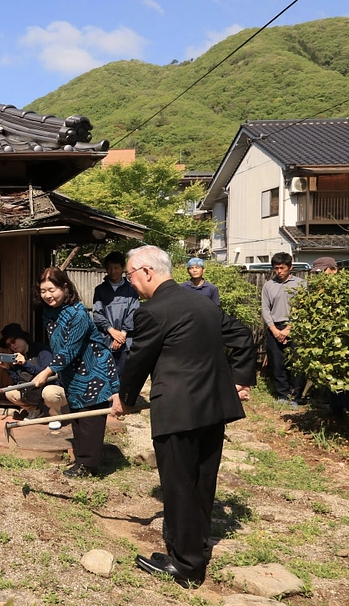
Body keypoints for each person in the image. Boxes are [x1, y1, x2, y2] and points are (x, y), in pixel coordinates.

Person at [114, 245, 254, 589]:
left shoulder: (152, 311)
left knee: (178, 486)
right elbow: (243, 335)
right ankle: (197, 548)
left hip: (178, 411)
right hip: (214, 408)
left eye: (130, 275)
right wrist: (240, 379)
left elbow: (139, 361)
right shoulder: (203, 303)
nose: (130, 282)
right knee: (202, 482)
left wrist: (125, 399)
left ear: (147, 271)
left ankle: (186, 566)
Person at [25, 268, 120, 477]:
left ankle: (89, 466)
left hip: (94, 369)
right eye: (43, 291)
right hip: (72, 371)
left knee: (90, 417)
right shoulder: (49, 312)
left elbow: (70, 348)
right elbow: (58, 345)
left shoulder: (79, 314)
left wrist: (47, 371)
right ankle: (81, 461)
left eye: (52, 290)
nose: (47, 295)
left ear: (65, 287)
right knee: (77, 415)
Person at [0, 323, 67, 427]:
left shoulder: (41, 349)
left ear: (23, 337)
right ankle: (34, 411)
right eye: (9, 345)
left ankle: (55, 416)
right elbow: (19, 381)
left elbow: (48, 372)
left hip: (52, 388)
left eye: (13, 341)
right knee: (10, 391)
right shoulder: (17, 358)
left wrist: (25, 364)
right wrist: (8, 368)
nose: (12, 346)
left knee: (50, 392)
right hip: (33, 392)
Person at [261, 252, 305, 406]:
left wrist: (289, 329)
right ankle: (282, 395)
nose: (279, 271)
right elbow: (265, 309)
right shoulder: (268, 285)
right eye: (276, 268)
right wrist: (274, 330)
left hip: (295, 328)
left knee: (296, 363)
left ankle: (295, 397)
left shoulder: (300, 284)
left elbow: (302, 308)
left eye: (282, 268)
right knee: (277, 363)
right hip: (274, 327)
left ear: (290, 267)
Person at [309, 258, 347, 420]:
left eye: (322, 272)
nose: (319, 276)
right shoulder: (316, 292)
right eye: (316, 273)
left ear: (334, 270)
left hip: (343, 343)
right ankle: (337, 412)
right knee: (331, 377)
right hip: (327, 344)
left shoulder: (344, 289)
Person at [92, 251, 140, 377]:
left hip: (126, 341)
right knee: (105, 376)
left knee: (124, 376)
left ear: (122, 268)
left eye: (116, 268)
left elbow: (134, 312)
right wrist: (111, 331)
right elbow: (97, 314)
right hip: (105, 340)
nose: (113, 271)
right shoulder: (100, 290)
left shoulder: (132, 289)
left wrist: (122, 334)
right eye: (109, 268)